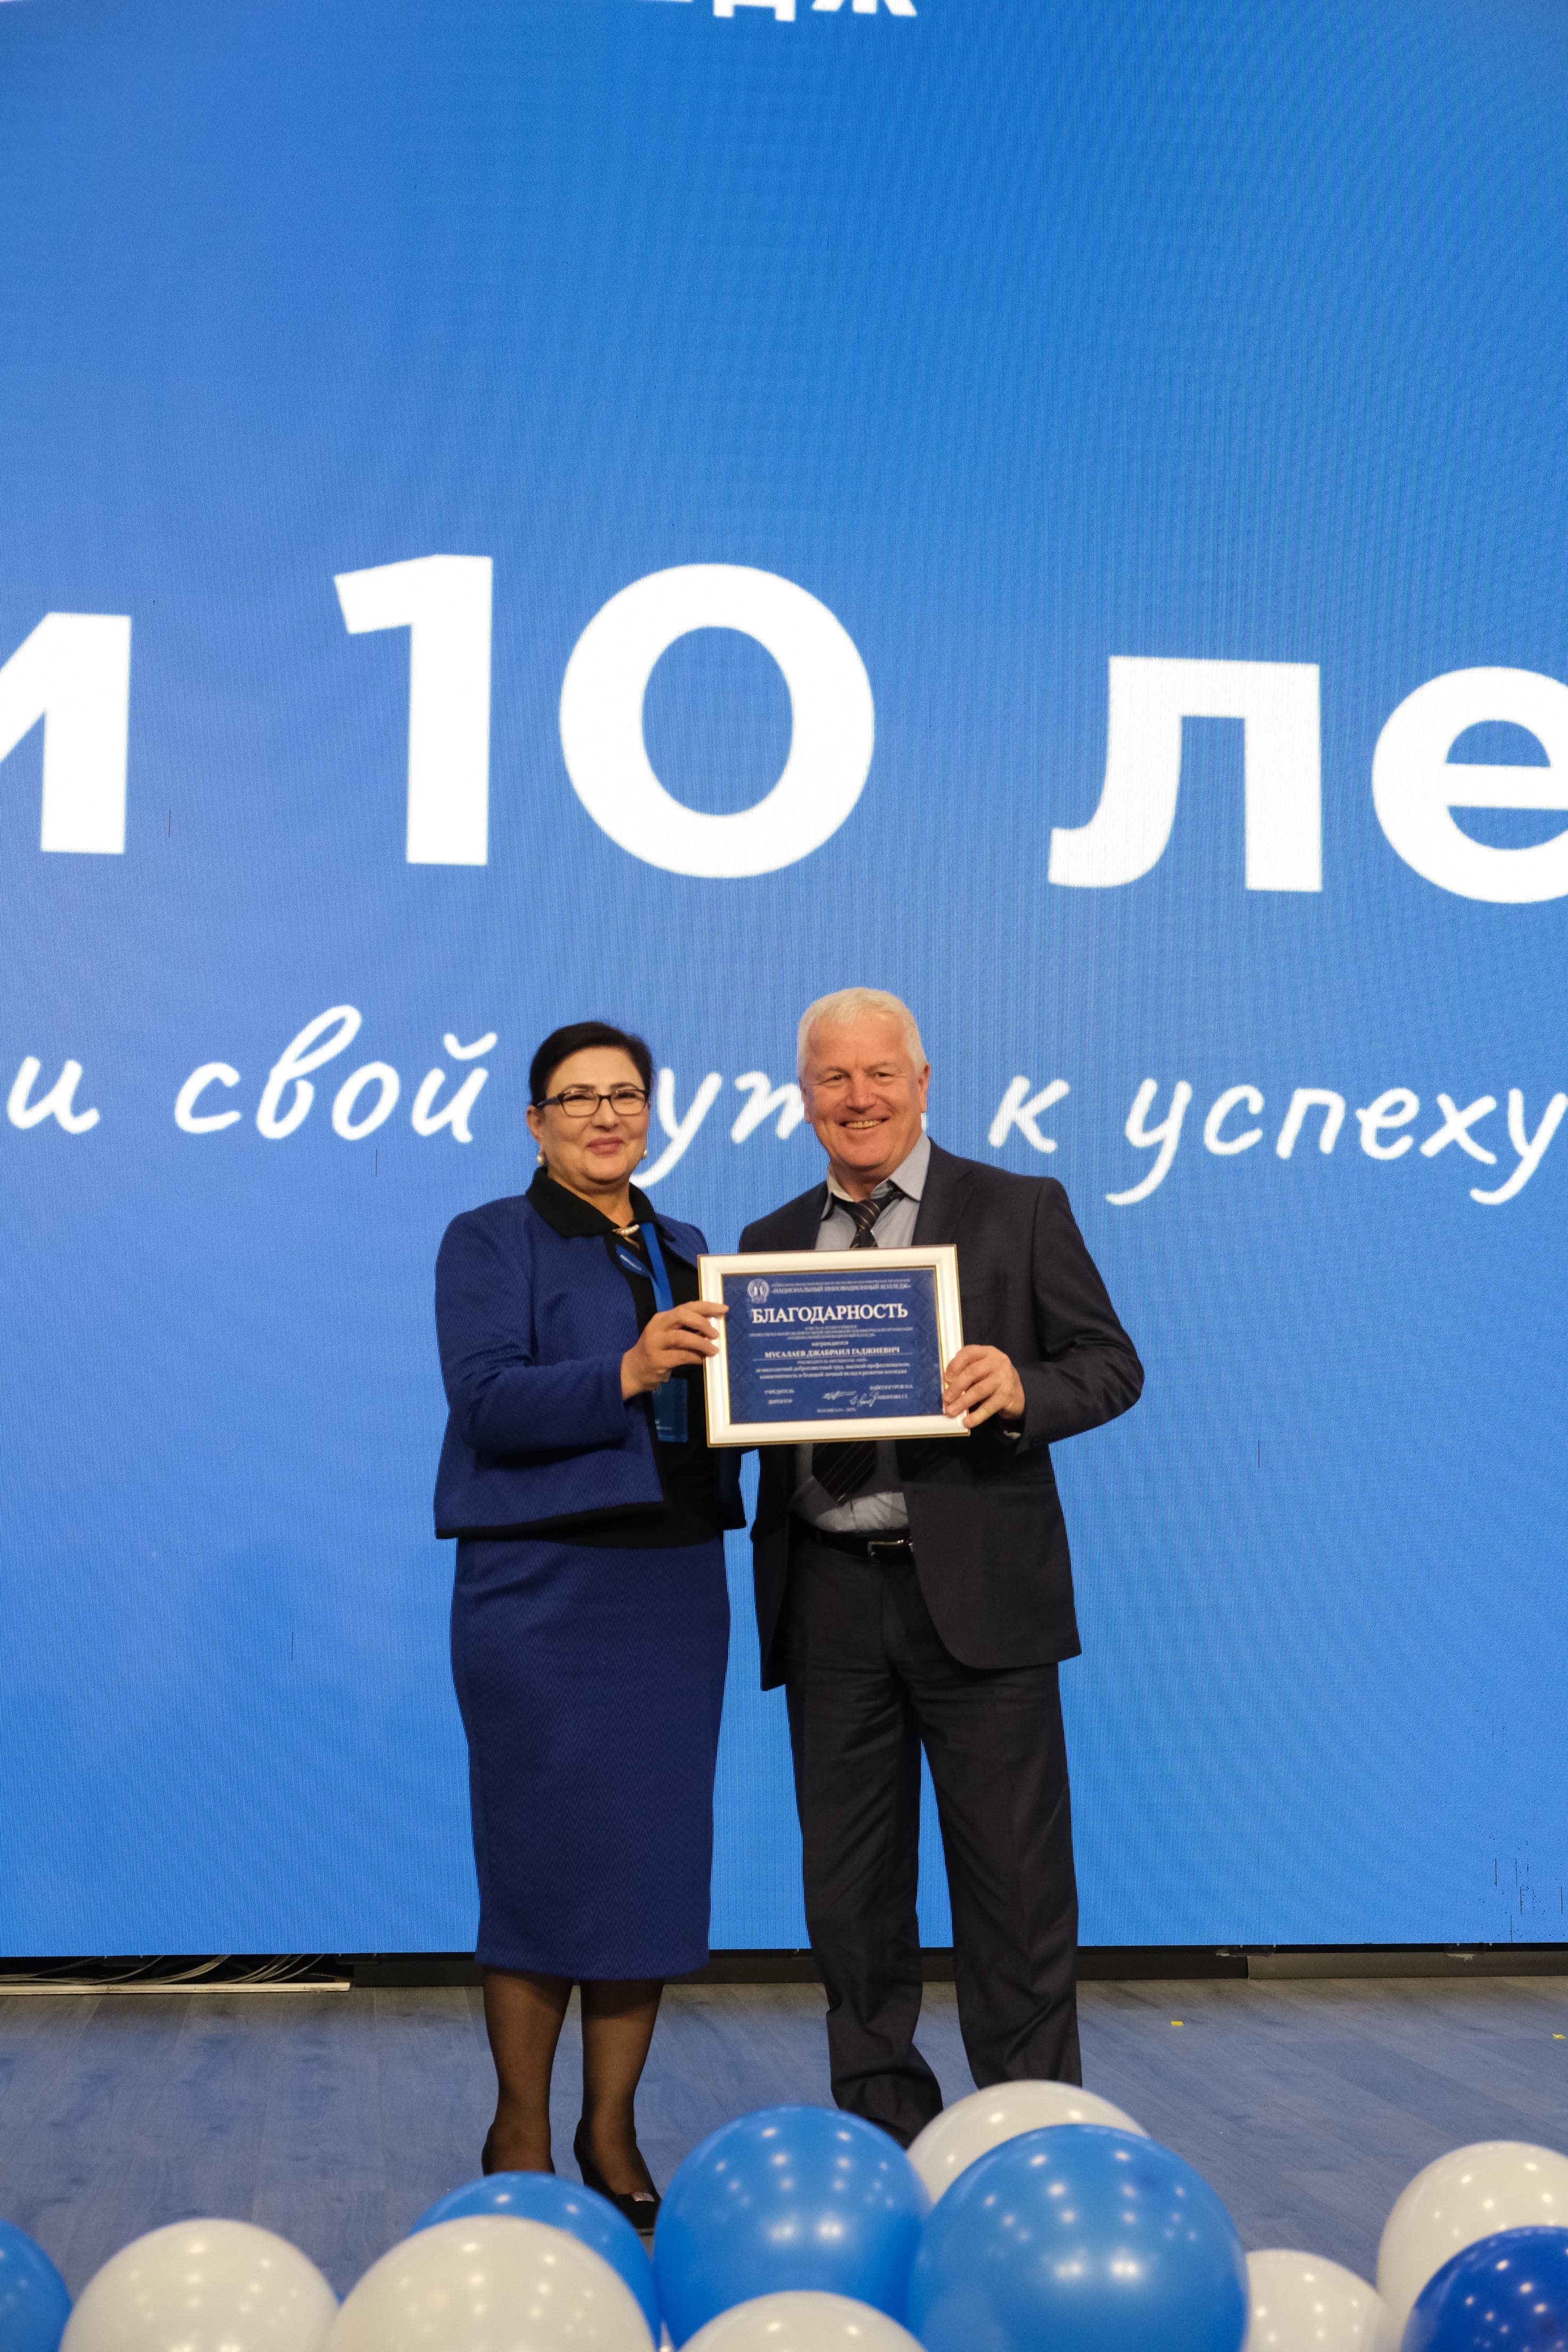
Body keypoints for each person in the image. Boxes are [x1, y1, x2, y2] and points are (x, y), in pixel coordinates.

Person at [739, 987, 1144, 2145]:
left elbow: (1110, 1365)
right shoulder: (765, 1247)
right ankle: (884, 2133)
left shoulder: (1018, 1208)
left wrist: (1021, 1387)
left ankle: (1029, 2135)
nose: (857, 1097)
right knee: (850, 1894)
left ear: (922, 1084)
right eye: (832, 1077)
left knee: (1015, 1892)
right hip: (827, 1599)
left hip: (981, 1600)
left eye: (880, 1074)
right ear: (803, 1097)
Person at [433, 1019, 740, 2230]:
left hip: (674, 1588)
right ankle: (518, 2122)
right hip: (541, 1589)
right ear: (535, 1122)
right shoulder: (488, 1238)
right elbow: (485, 1400)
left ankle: (610, 2129)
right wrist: (627, 1368)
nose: (605, 1116)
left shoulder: (689, 1247)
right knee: (543, 1860)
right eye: (577, 1098)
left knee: (646, 1868)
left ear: (651, 1115)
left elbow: (731, 1403)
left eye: (625, 1096)